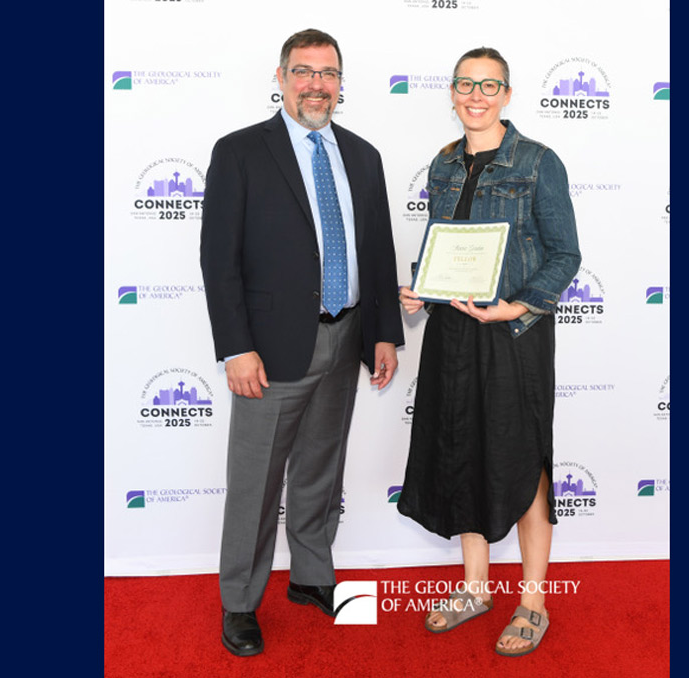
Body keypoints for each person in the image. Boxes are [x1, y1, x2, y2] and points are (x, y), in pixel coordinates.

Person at [200, 28, 404, 657]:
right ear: (282, 77)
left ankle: (313, 578)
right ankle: (240, 601)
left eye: (328, 73)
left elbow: (377, 250)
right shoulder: (239, 152)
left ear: (341, 84)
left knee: (320, 471)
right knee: (256, 483)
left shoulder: (364, 156)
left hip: (344, 342)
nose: (317, 84)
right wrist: (236, 348)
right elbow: (219, 260)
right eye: (304, 71)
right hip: (269, 350)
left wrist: (384, 335)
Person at [397, 47, 581, 658]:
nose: (476, 95)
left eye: (489, 85)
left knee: (522, 456)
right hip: (453, 331)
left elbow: (565, 255)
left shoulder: (537, 162)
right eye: (465, 84)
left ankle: (533, 602)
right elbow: (444, 245)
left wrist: (518, 306)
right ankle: (475, 589)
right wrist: (422, 288)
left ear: (507, 94)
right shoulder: (443, 164)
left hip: (514, 335)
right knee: (462, 450)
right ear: (451, 93)